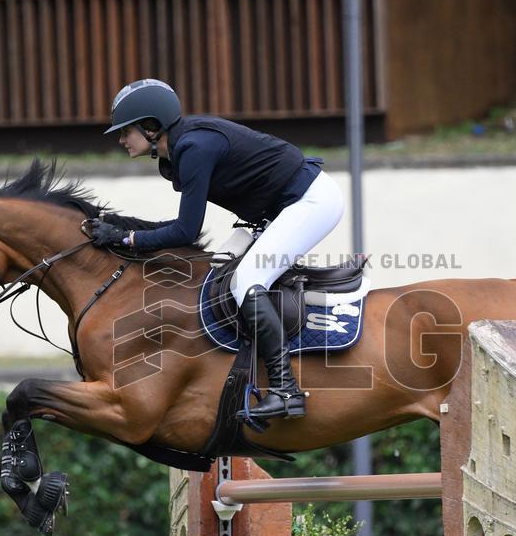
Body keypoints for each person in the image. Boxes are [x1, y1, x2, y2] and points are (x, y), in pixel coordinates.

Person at [90, 78, 344, 421]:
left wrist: (126, 238)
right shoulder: (181, 147)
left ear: (151, 127)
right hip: (284, 207)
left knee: (247, 281)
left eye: (126, 131)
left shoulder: (193, 148)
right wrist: (125, 232)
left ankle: (286, 391)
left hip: (309, 202)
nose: (121, 139)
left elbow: (185, 230)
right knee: (220, 271)